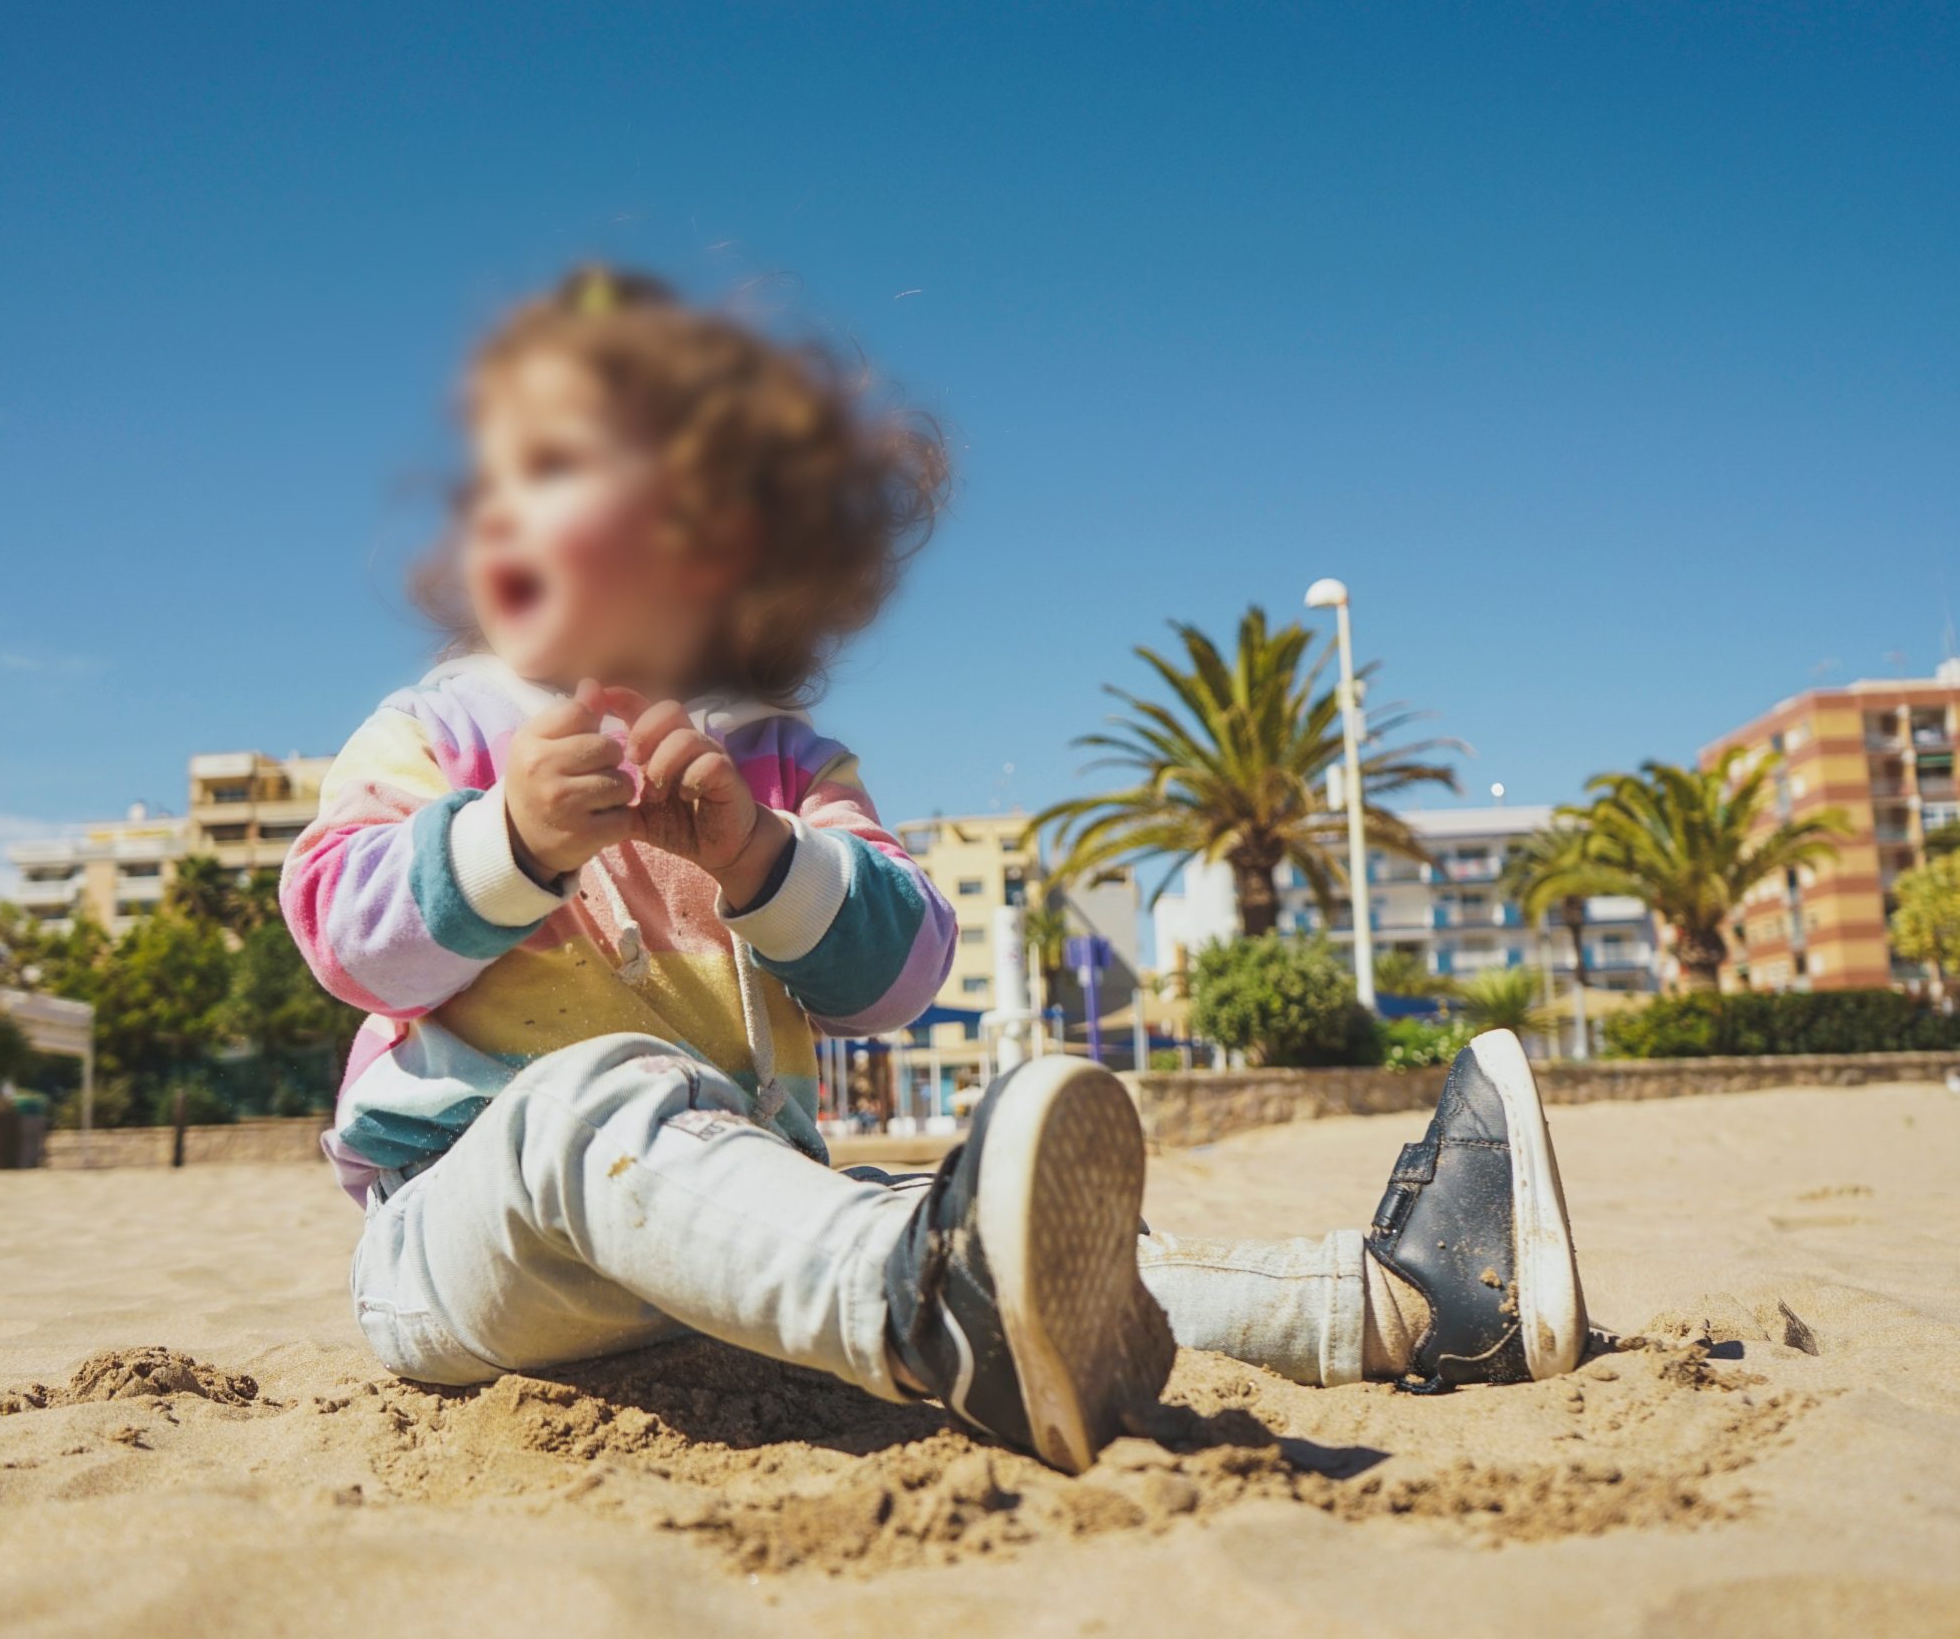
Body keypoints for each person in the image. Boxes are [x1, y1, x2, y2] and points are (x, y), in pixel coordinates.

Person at [282, 267, 1589, 1476]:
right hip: (469, 1234)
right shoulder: (442, 733)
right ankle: (921, 1306)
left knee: (1012, 1243)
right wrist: (506, 842)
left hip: (743, 1243)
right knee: (596, 1109)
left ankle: (1408, 1302)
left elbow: (897, 975)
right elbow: (346, 935)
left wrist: (753, 854)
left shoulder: (782, 768)